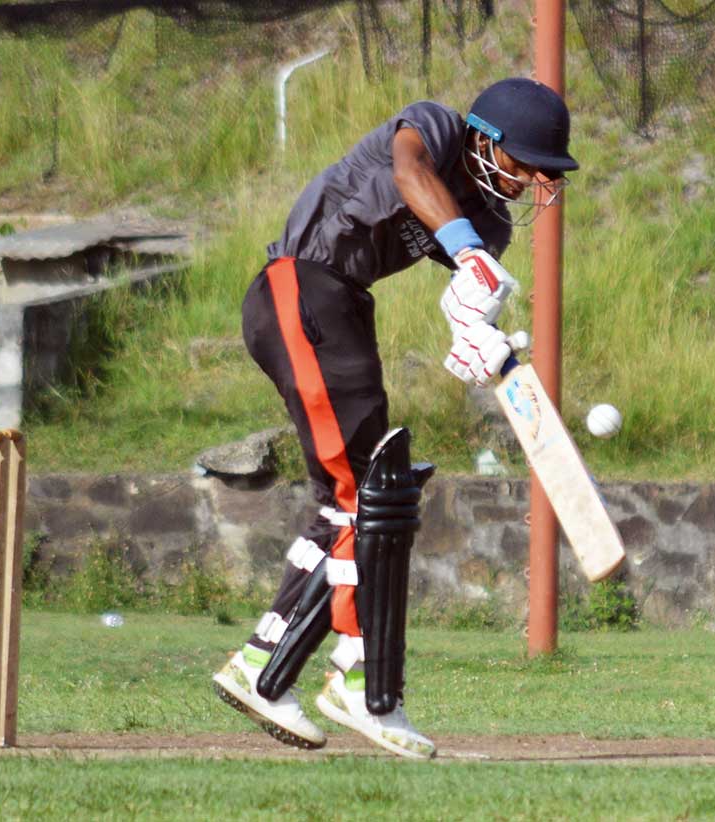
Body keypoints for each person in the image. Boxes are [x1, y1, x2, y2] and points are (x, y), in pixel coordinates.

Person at [212, 78, 578, 759]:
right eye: (525, 162)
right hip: (303, 285)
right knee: (366, 495)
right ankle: (360, 683)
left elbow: (466, 305)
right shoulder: (435, 130)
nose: (532, 181)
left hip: (342, 308)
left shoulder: (490, 222)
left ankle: (264, 666)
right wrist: (467, 253)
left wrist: (481, 343)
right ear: (486, 139)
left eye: (544, 172)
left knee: (359, 499)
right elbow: (408, 170)